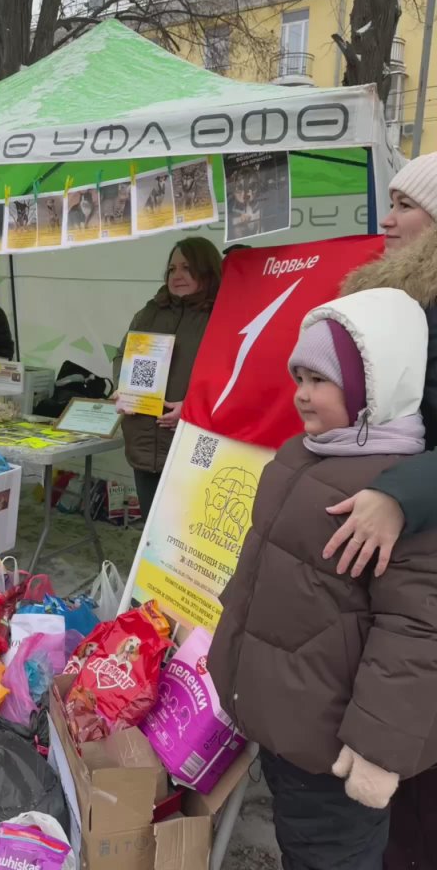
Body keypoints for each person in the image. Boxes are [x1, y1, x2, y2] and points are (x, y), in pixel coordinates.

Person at [209, 287, 437, 870]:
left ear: (371, 387)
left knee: (331, 855)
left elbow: (415, 633)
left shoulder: (396, 493)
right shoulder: (301, 455)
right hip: (288, 722)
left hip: (337, 751)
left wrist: (378, 750)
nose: (302, 394)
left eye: (320, 380)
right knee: (300, 843)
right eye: (299, 376)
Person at [320, 152, 437, 870]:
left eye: (405, 206)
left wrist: (402, 494)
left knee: (415, 764)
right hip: (376, 562)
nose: (385, 220)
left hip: (420, 565)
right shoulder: (400, 304)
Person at [113, 237, 221, 520]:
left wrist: (192, 408)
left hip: (193, 440)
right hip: (145, 441)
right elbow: (123, 357)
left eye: (187, 268)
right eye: (172, 269)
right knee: (152, 527)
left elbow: (233, 377)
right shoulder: (150, 312)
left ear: (207, 270)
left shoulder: (223, 315)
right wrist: (122, 389)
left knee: (188, 527)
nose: (177, 276)